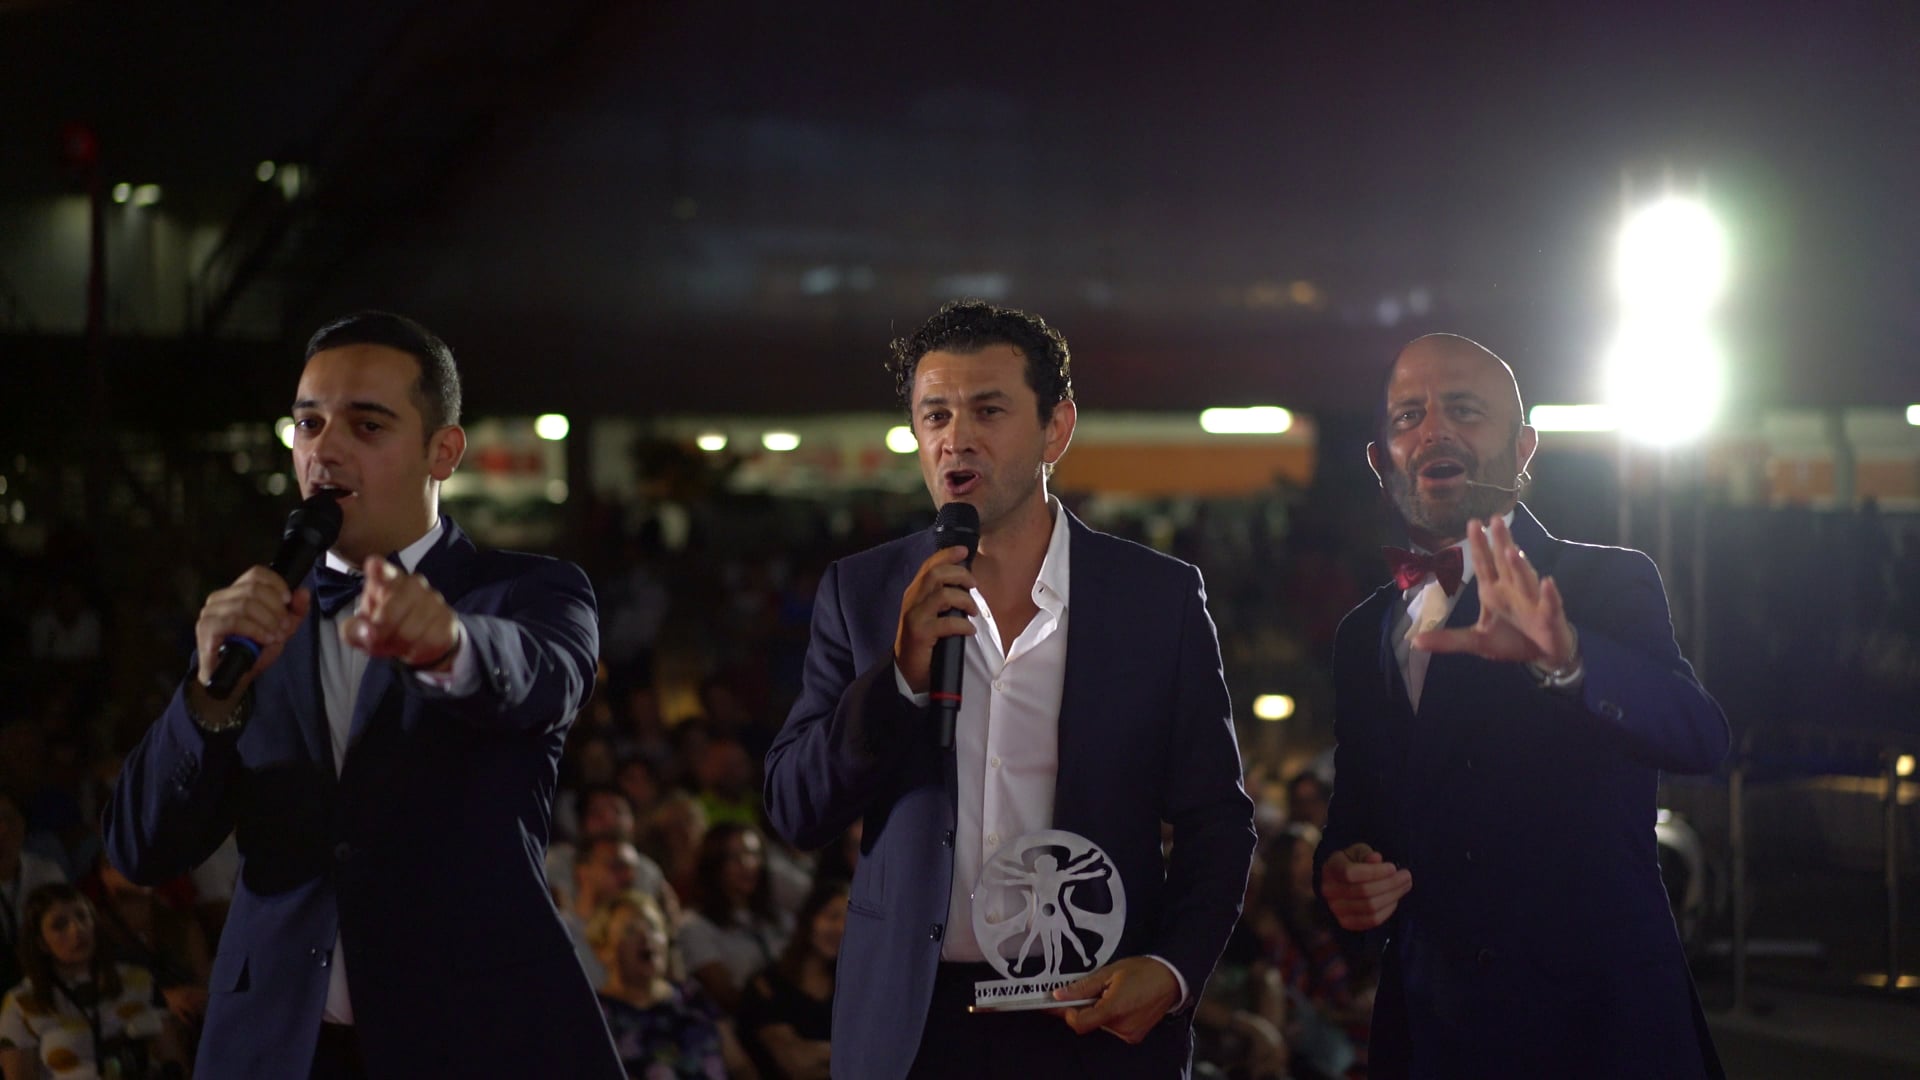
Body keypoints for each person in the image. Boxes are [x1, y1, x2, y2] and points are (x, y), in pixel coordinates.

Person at [103, 312, 621, 1078]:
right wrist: (209, 700)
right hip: (278, 1046)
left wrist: (451, 644)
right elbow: (139, 849)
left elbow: (545, 678)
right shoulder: (255, 615)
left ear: (441, 451)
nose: (324, 449)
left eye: (366, 424)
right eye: (307, 423)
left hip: (465, 1038)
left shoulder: (525, 591)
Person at [763, 299, 1256, 1077]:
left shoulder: (1154, 599)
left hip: (1089, 1016)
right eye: (935, 416)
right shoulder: (861, 594)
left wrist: (1169, 971)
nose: (956, 437)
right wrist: (898, 679)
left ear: (1055, 430)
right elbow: (796, 808)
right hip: (913, 1028)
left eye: (988, 410)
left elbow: (1217, 823)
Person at [1317, 333, 1729, 1078]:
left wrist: (1568, 657)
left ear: (1524, 448)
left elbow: (1700, 737)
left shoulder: (1606, 582)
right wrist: (1341, 876)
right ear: (1382, 460)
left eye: (1465, 410)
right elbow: (1358, 818)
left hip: (1600, 1031)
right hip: (1435, 1037)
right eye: (1408, 416)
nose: (1434, 429)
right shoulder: (1361, 635)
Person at [0, 883, 183, 1080]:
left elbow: (174, 1062)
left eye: (82, 916)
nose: (77, 930)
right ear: (41, 942)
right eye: (60, 925)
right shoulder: (21, 1003)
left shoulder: (139, 980)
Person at [587, 890, 748, 1080]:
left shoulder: (690, 994)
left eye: (653, 927)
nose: (646, 936)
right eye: (630, 930)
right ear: (603, 950)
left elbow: (740, 1067)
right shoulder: (595, 1014)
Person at [737, 878, 847, 1079]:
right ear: (809, 919)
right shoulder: (767, 986)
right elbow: (796, 1063)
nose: (841, 929)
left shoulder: (849, 988)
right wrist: (851, 1053)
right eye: (832, 917)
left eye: (850, 922)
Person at [676, 824, 791, 1013]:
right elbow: (724, 994)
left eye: (753, 854)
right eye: (733, 857)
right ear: (714, 864)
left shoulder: (777, 918)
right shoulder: (696, 926)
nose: (747, 864)